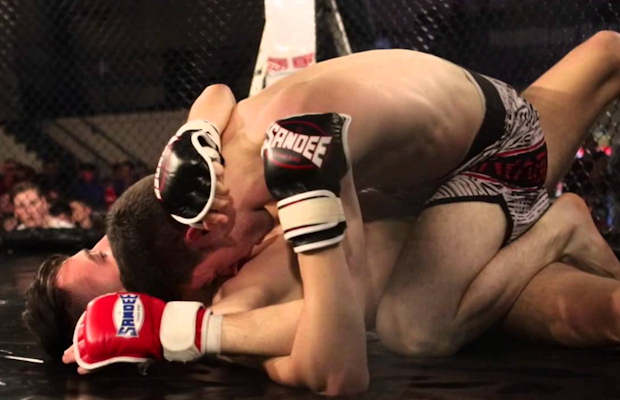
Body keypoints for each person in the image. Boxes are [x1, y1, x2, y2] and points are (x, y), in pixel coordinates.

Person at [27, 30, 620, 387]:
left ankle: (560, 224)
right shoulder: (210, 207)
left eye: (96, 249)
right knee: (602, 59)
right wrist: (177, 328)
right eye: (113, 275)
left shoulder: (237, 176)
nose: (110, 243)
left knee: (415, 327)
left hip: (480, 161)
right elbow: (215, 96)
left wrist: (178, 330)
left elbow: (340, 339)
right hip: (443, 179)